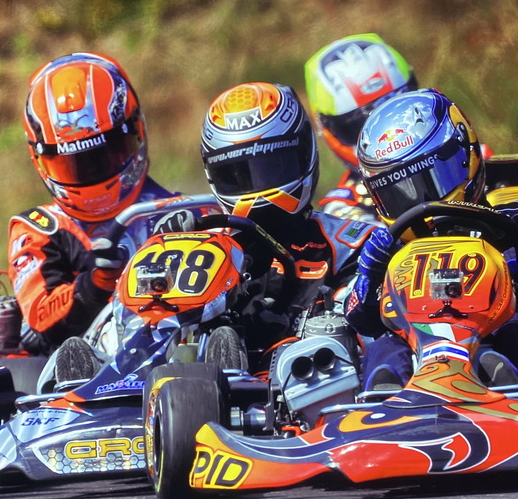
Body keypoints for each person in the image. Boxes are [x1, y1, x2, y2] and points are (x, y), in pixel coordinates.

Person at [343, 88, 518, 390]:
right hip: (419, 361)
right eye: (397, 193)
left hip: (503, 347)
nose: (421, 203)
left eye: (430, 181)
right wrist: (369, 276)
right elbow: (359, 320)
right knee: (385, 344)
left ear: (465, 157)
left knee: (517, 329)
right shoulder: (391, 248)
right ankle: (383, 404)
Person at [156, 81, 379, 370]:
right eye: (239, 175)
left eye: (272, 167)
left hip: (316, 382)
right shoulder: (201, 247)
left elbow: (374, 327)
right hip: (204, 396)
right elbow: (146, 326)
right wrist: (165, 258)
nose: (259, 193)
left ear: (303, 153)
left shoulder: (352, 244)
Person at [9, 52, 202, 362]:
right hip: (82, 371)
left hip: (181, 357)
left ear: (136, 131)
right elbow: (41, 316)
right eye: (72, 164)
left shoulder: (183, 212)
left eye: (105, 154)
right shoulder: (39, 230)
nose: (92, 173)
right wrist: (94, 285)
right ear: (41, 160)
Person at [304, 34, 419, 223]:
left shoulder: (466, 153)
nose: (389, 136)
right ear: (326, 126)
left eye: (400, 114)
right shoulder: (341, 212)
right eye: (359, 126)